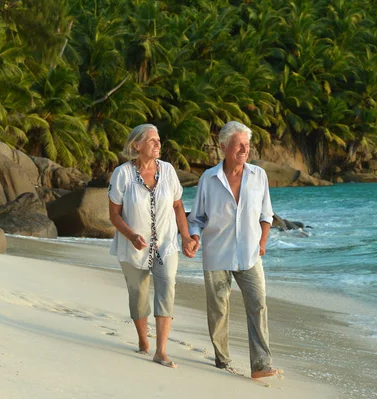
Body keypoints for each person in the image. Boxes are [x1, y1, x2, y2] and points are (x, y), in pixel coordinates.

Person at [187, 121, 279, 379]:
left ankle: (261, 364)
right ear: (224, 146)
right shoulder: (209, 178)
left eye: (247, 145)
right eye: (238, 144)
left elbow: (267, 214)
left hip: (250, 254)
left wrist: (262, 242)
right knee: (219, 309)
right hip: (217, 253)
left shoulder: (258, 176)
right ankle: (222, 360)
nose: (244, 149)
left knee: (258, 304)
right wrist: (193, 237)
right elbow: (197, 218)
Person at [108, 124, 198, 369]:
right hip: (133, 246)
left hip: (165, 244)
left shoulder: (168, 171)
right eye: (151, 140)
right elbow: (114, 215)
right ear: (137, 146)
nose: (158, 144)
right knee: (138, 296)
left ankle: (161, 350)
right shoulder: (122, 174)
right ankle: (142, 341)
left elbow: (178, 206)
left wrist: (186, 236)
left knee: (167, 287)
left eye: (159, 139)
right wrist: (130, 235)